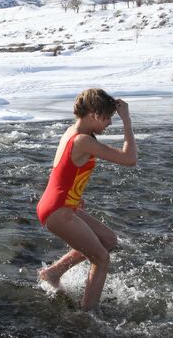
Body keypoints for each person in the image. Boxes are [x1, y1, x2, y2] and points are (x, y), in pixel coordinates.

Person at [36, 88, 137, 311]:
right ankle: (86, 317)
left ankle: (53, 273)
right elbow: (129, 159)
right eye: (108, 117)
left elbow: (61, 168)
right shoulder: (83, 141)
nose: (110, 123)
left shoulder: (73, 132)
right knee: (101, 260)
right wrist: (127, 120)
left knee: (109, 240)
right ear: (93, 114)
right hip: (57, 210)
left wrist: (74, 195)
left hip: (60, 204)